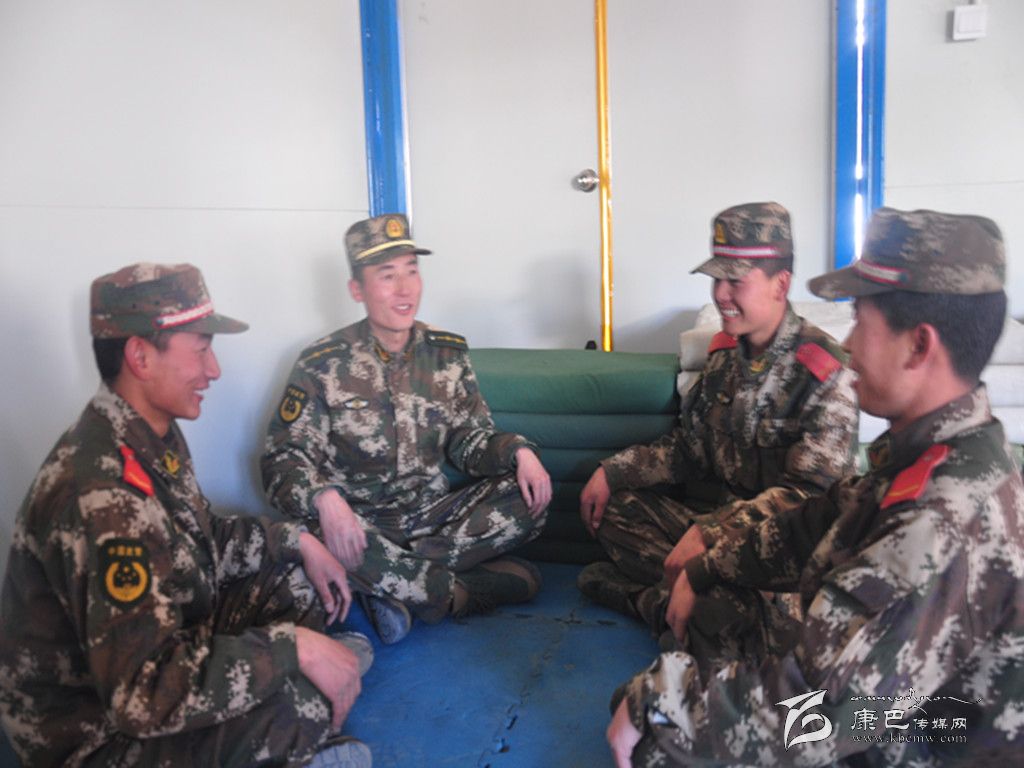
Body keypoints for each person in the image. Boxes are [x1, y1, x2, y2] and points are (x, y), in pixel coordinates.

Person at [607, 207, 1024, 766]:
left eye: (860, 321)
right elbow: (813, 523)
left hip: (915, 737)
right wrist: (707, 566)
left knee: (656, 737)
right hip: (900, 712)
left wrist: (657, 702)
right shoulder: (940, 453)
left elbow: (824, 714)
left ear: (919, 346)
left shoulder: (942, 515)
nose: (849, 342)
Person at [0, 263, 372, 768]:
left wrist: (298, 541)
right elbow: (141, 693)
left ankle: (312, 687)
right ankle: (305, 715)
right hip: (95, 733)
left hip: (164, 638)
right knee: (297, 704)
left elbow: (202, 537)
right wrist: (291, 649)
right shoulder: (101, 495)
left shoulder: (148, 433)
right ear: (140, 356)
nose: (213, 370)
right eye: (200, 349)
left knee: (296, 579)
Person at [578, 202, 858, 669]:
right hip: (716, 532)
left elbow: (811, 499)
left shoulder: (824, 373)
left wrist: (712, 534)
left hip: (782, 553)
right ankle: (689, 601)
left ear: (780, 283)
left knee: (760, 621)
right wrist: (613, 471)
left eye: (736, 281)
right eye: (716, 279)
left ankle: (655, 603)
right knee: (617, 510)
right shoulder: (725, 356)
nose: (721, 294)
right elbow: (690, 449)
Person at [261, 214, 551, 645]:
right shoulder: (321, 364)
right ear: (357, 290)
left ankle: (392, 585)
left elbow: (468, 441)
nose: (405, 289)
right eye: (387, 275)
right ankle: (459, 592)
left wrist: (518, 452)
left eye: (411, 271)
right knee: (313, 538)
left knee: (530, 499)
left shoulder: (447, 354)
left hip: (433, 518)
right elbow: (282, 460)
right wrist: (326, 499)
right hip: (359, 525)